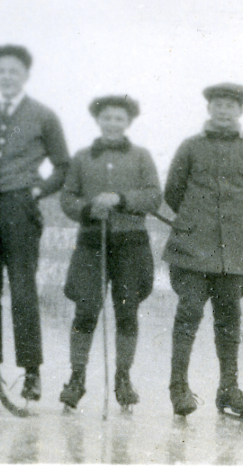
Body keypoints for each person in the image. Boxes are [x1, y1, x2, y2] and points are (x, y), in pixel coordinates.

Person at [0, 44, 70, 401]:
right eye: (1, 71)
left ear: (25, 76)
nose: (7, 77)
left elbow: (62, 166)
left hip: (19, 209)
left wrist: (37, 191)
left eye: (14, 71)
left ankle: (32, 371)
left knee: (22, 288)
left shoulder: (43, 116)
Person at [163, 83, 243, 416]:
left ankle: (228, 389)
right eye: (218, 105)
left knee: (229, 322)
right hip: (193, 251)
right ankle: (178, 389)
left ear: (240, 112)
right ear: (209, 109)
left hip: (233, 255)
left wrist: (235, 225)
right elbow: (173, 192)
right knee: (188, 316)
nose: (224, 110)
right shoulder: (190, 147)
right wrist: (200, 222)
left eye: (230, 105)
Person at [58, 95, 161, 409]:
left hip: (131, 245)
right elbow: (67, 198)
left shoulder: (142, 156)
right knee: (86, 310)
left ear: (127, 122)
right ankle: (76, 379)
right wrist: (89, 208)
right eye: (107, 118)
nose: (113, 123)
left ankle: (123, 379)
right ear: (98, 120)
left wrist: (120, 199)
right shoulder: (82, 157)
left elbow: (154, 196)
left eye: (119, 118)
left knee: (127, 313)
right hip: (92, 244)